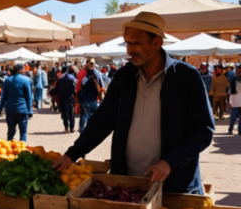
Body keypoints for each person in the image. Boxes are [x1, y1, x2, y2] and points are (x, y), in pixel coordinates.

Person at [52, 12, 214, 194]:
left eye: (136, 43)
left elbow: (204, 130)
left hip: (174, 185)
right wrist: (72, 154)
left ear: (156, 43)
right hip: (127, 185)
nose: (129, 50)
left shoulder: (186, 77)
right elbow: (102, 121)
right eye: (127, 43)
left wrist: (170, 162)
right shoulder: (123, 77)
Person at [0, 63, 33, 142]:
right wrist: (30, 110)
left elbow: (3, 97)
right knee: (23, 133)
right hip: (22, 110)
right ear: (21, 70)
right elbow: (29, 97)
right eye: (24, 68)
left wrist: (0, 109)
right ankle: (23, 152)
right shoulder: (26, 80)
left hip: (10, 110)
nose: (25, 70)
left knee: (10, 133)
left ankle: (10, 151)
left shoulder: (7, 80)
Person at [78, 67, 103, 131]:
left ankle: (81, 130)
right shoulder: (94, 80)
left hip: (84, 100)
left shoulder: (84, 79)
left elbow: (81, 88)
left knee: (83, 115)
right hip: (92, 100)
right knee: (91, 116)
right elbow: (99, 90)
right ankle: (89, 130)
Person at [56, 68, 77, 132]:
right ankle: (71, 128)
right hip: (69, 98)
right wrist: (74, 95)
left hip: (61, 98)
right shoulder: (71, 78)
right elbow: (73, 88)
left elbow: (57, 88)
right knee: (71, 114)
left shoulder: (60, 78)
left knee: (64, 114)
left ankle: (66, 128)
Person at [228, 69, 241, 135]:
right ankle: (240, 131)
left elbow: (230, 92)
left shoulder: (233, 82)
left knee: (233, 117)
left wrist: (230, 101)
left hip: (235, 102)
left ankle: (230, 129)